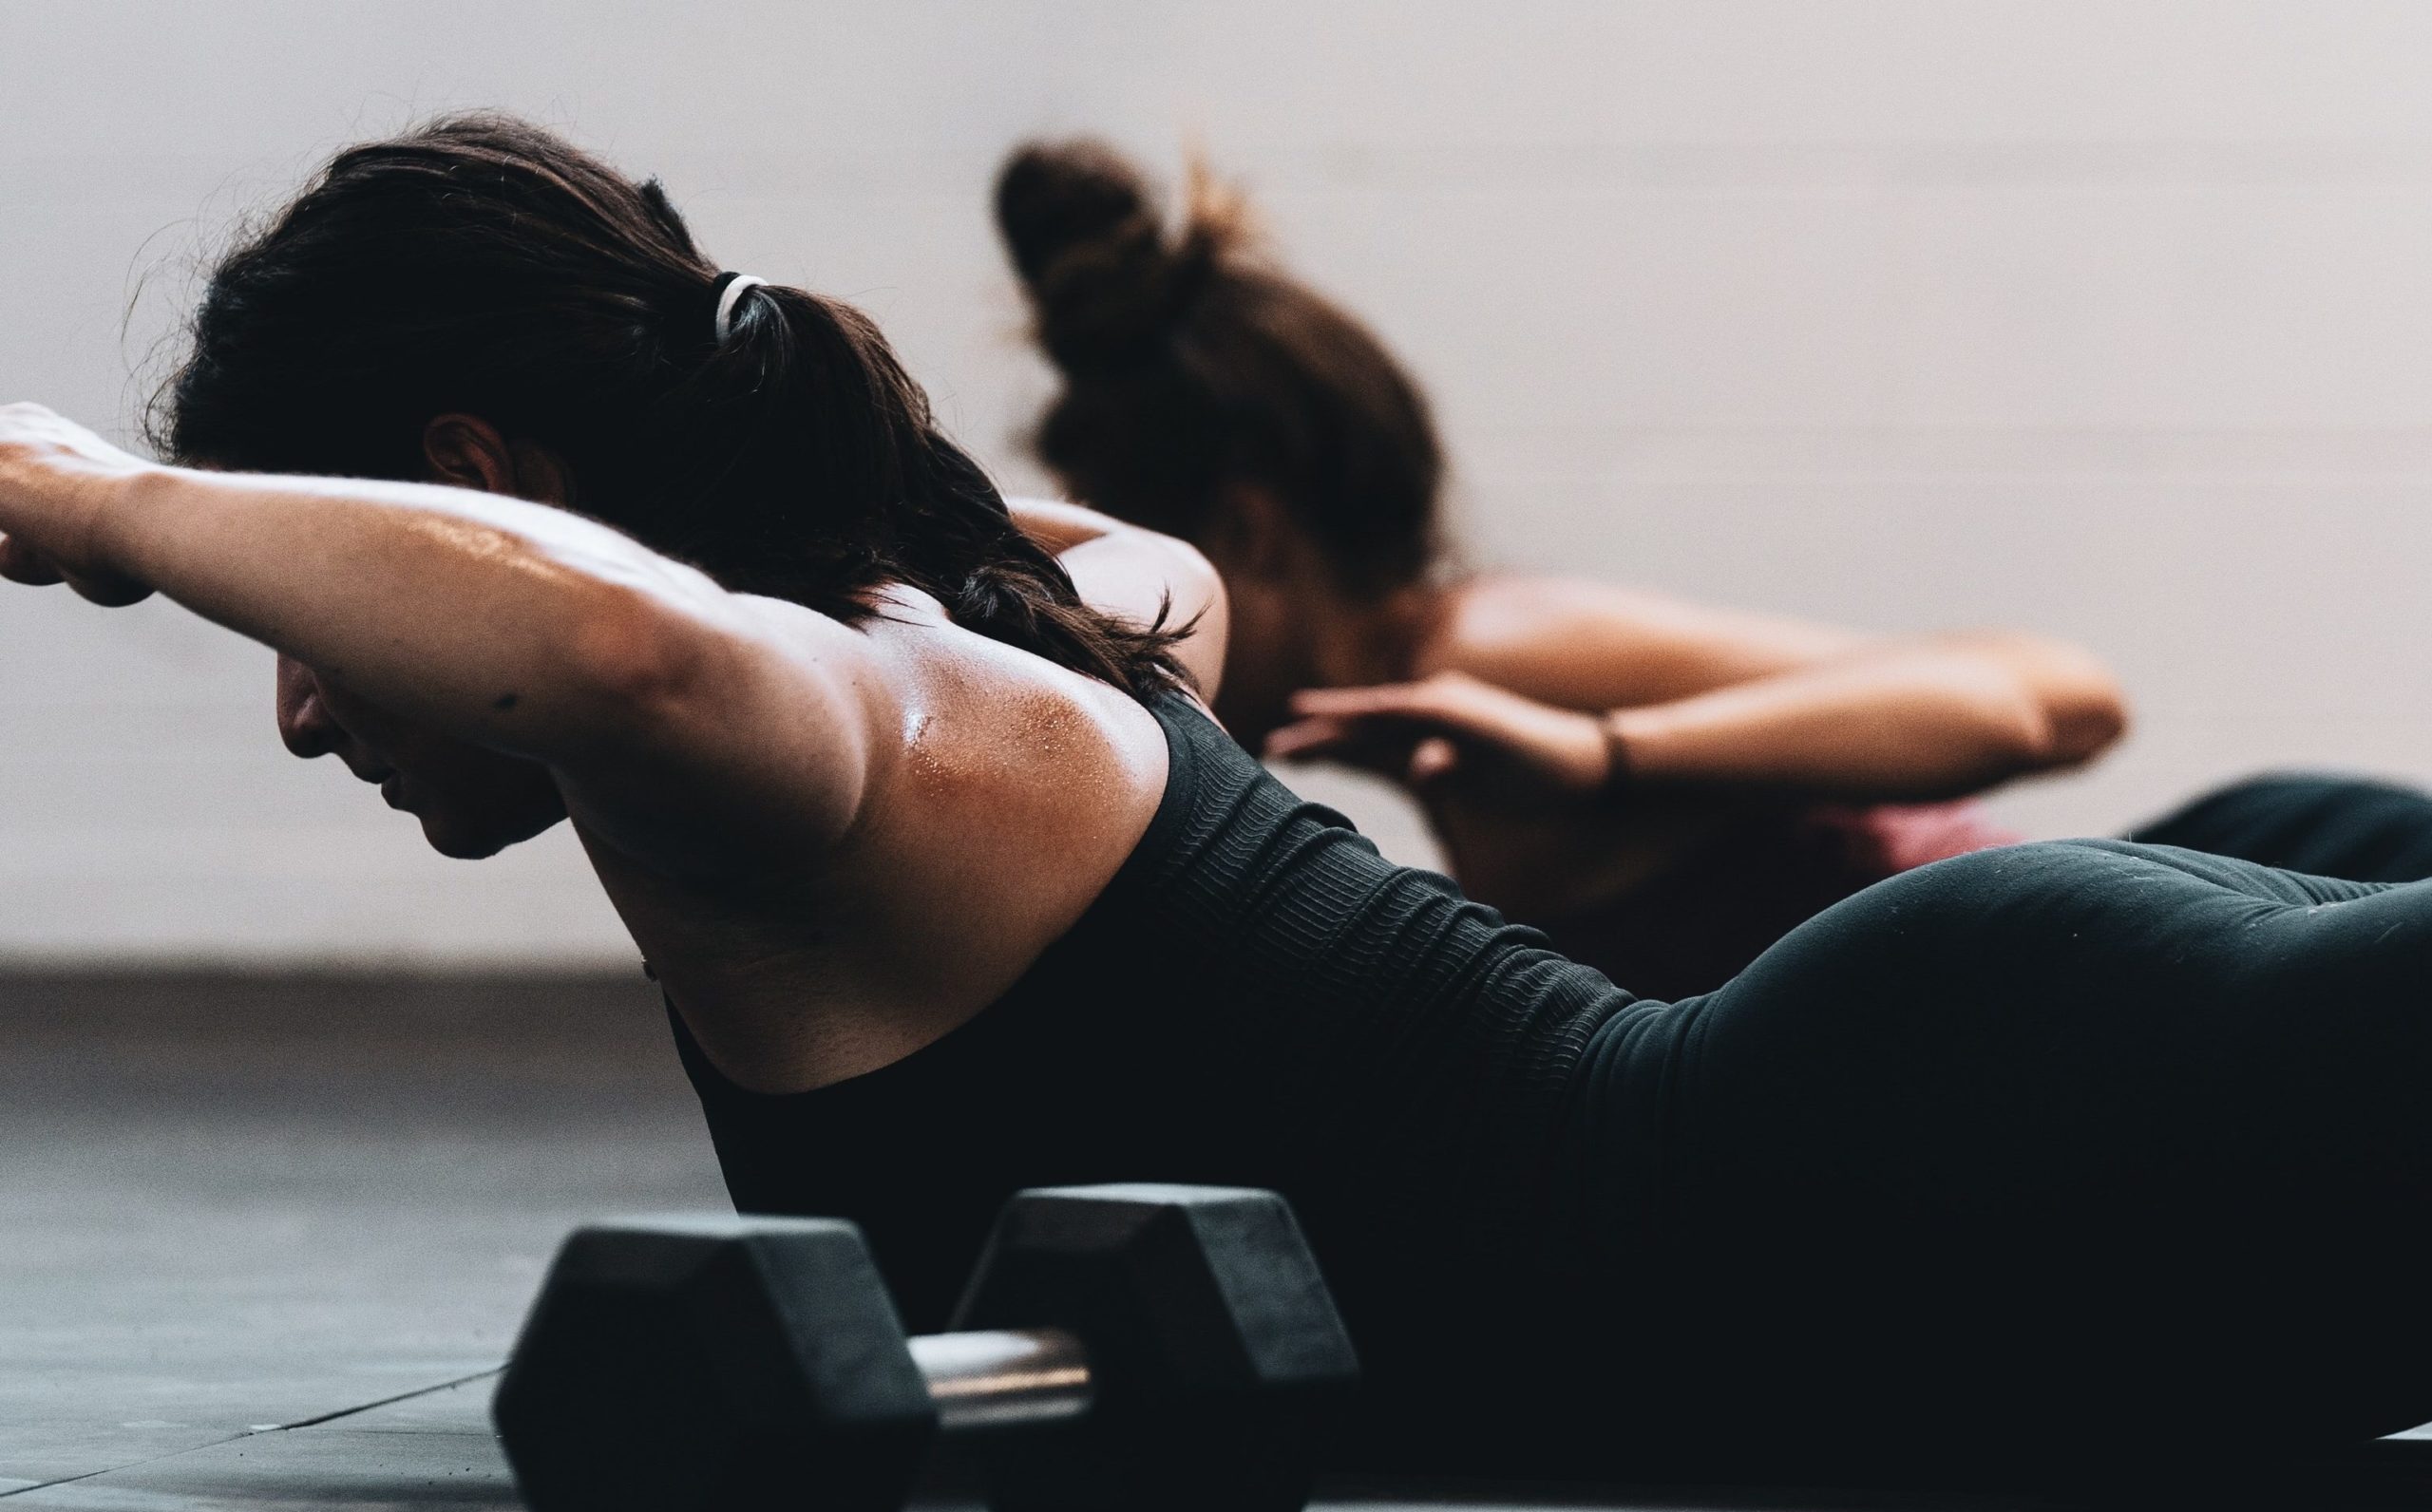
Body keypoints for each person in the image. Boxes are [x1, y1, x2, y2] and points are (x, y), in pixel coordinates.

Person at [5, 115, 2429, 1482]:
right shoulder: (1056, 613)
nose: (308, 706)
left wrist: (103, 507)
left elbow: (611, 635)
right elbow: (696, 580)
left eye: (309, 605)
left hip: (1915, 1171)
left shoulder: (820, 737)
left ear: (465, 482)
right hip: (1938, 1173)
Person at [993, 141, 2432, 998]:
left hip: (2220, 929)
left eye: (1129, 575)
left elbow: (2056, 700)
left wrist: (1610, 757)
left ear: (1245, 534)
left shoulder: (1496, 655)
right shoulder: (1454, 733)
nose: (1115, 636)